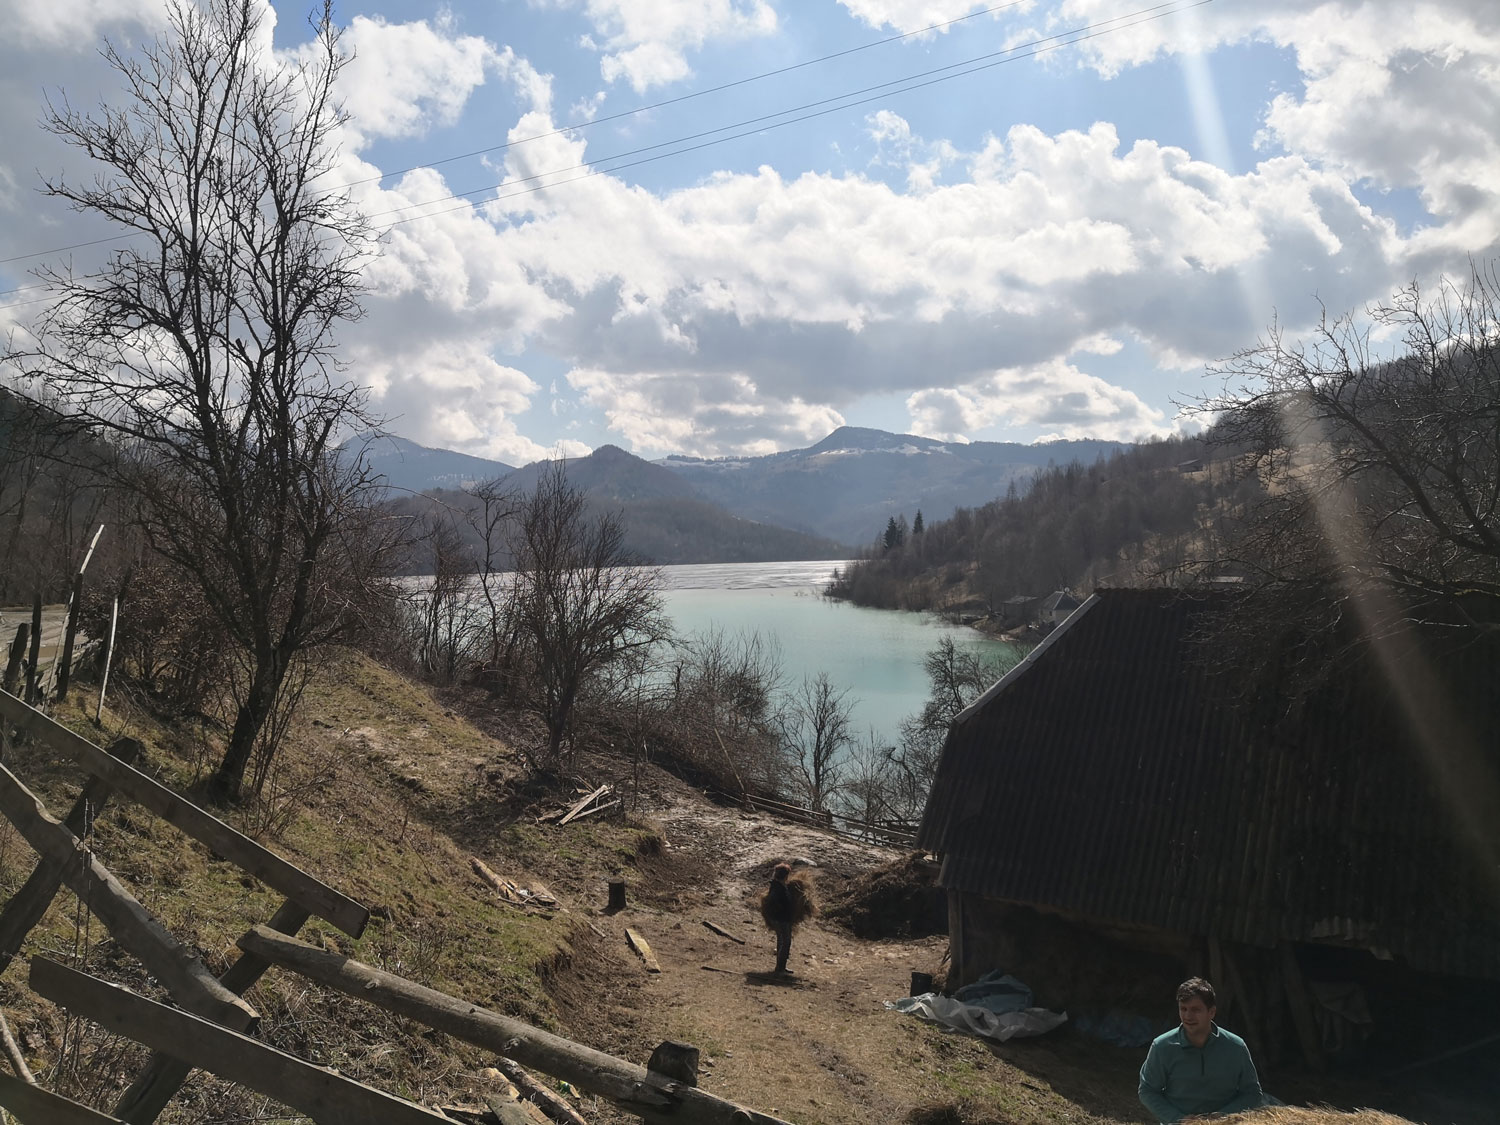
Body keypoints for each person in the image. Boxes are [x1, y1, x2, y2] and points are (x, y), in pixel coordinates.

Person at [1139, 977, 1270, 1123]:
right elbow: (1148, 1091)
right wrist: (1178, 1119)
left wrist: (1223, 1116)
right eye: (1183, 1009)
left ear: (1212, 1012)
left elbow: (1252, 1093)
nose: (1188, 1016)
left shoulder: (1236, 1047)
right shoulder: (1162, 1046)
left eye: (1196, 1010)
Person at [762, 862, 794, 974]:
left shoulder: (779, 885)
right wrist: (781, 911)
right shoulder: (777, 888)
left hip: (783, 918)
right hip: (781, 919)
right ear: (785, 875)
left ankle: (781, 967)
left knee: (782, 941)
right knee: (785, 942)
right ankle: (780, 969)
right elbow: (773, 902)